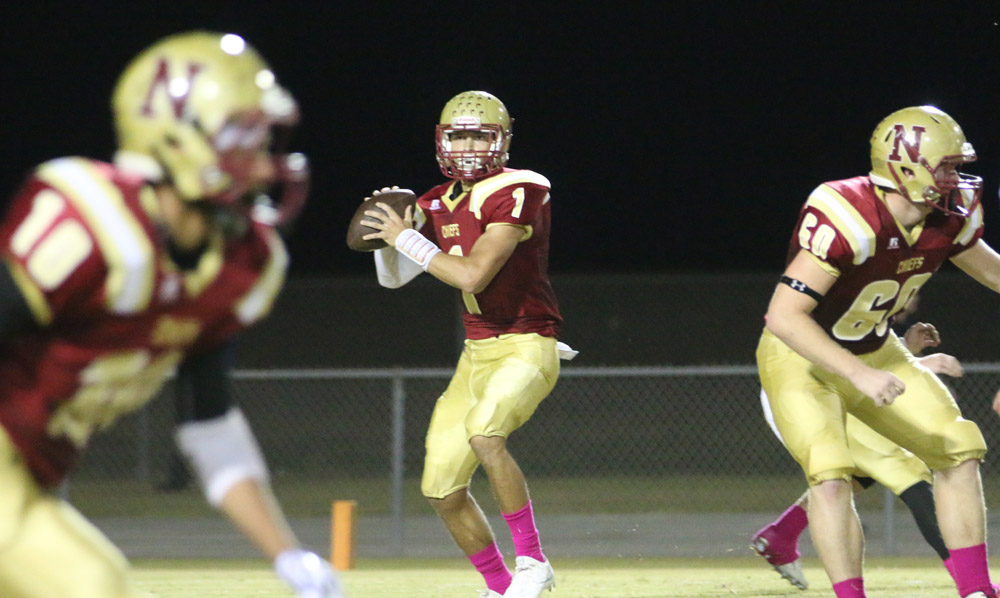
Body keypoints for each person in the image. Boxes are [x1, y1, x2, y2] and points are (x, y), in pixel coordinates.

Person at [0, 32, 340, 598]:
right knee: (93, 586)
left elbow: (211, 426)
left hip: (32, 477)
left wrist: (288, 557)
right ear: (176, 140)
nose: (263, 165)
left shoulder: (237, 269)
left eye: (264, 140)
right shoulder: (97, 226)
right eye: (243, 139)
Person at [757, 105, 1000, 598]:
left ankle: (977, 590)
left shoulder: (948, 220)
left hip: (875, 347)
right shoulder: (851, 215)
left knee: (958, 449)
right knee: (830, 476)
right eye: (946, 167)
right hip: (802, 356)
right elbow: (783, 316)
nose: (956, 180)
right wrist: (857, 374)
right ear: (906, 166)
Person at [359, 90, 573, 598]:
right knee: (440, 487)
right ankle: (499, 587)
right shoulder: (435, 200)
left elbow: (473, 275)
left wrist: (406, 237)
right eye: (459, 136)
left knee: (485, 433)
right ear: (442, 141)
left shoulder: (522, 186)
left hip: (527, 343)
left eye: (480, 136)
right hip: (477, 355)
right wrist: (390, 236)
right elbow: (395, 278)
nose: (469, 146)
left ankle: (533, 563)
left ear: (502, 140)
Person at [753, 321, 964, 590]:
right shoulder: (830, 300)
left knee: (860, 474)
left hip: (814, 390)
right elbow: (829, 349)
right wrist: (914, 363)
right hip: (804, 392)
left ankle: (782, 534)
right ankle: (971, 581)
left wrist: (905, 350)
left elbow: (854, 345)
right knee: (907, 471)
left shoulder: (866, 311)